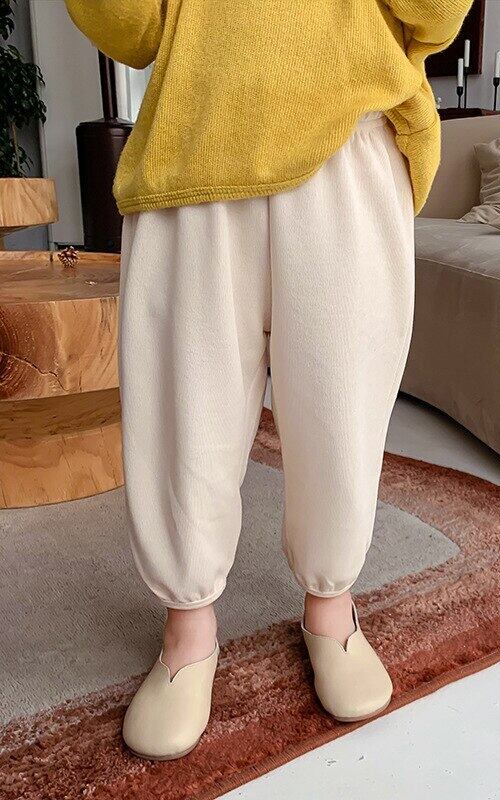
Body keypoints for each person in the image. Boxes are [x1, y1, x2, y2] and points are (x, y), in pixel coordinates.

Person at [65, 0, 472, 761]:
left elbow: (434, 14)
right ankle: (188, 627)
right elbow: (135, 28)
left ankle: (332, 605)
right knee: (183, 403)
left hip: (349, 135)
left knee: (342, 402)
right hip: (196, 137)